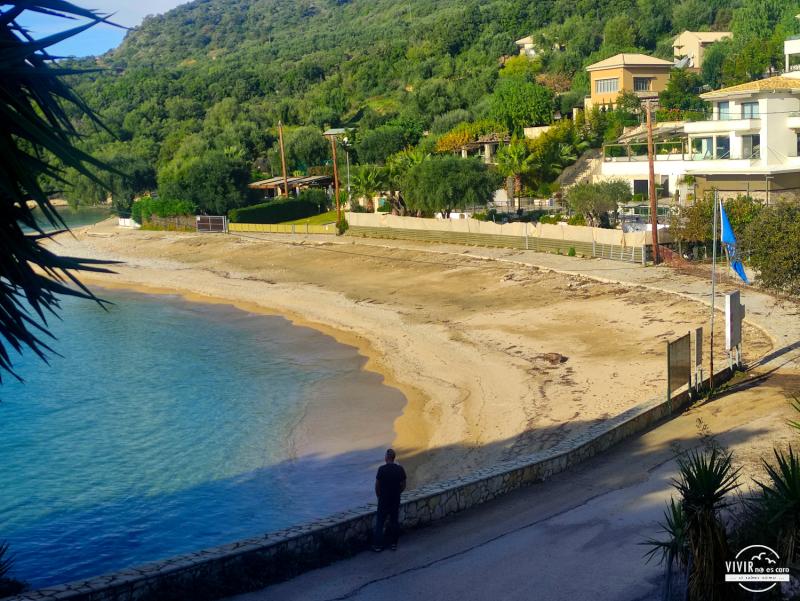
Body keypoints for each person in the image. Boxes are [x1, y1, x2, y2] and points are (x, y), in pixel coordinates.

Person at [373, 448, 406, 551]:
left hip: (383, 500)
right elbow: (404, 485)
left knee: (380, 522)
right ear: (394, 457)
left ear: (386, 458)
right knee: (394, 521)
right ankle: (393, 544)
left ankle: (378, 545)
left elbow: (377, 486)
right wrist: (398, 492)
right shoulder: (400, 469)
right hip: (395, 499)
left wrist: (379, 496)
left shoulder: (381, 469)